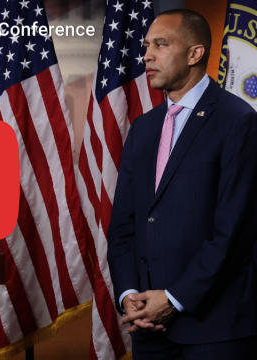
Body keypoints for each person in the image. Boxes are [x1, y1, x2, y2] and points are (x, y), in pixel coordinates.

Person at [107, 9, 257, 359]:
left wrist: (174, 299)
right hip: (148, 328)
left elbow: (233, 232)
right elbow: (124, 226)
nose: (147, 55)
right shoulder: (143, 129)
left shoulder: (239, 121)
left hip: (215, 332)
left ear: (195, 53)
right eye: (146, 46)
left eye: (161, 44)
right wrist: (129, 294)